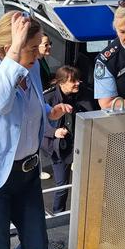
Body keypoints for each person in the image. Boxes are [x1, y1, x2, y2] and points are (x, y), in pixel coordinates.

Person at [0, 11, 72, 249]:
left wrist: (49, 114)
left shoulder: (31, 66)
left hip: (27, 176)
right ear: (8, 47)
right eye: (33, 48)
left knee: (37, 246)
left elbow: (31, 109)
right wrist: (14, 55)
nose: (39, 54)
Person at [41, 66, 95, 213]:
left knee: (87, 182)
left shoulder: (86, 94)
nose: (78, 83)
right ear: (61, 83)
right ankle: (59, 213)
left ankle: (84, 211)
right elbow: (37, 124)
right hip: (58, 147)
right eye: (73, 81)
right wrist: (54, 132)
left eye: (78, 79)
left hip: (81, 144)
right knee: (62, 185)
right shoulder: (48, 98)